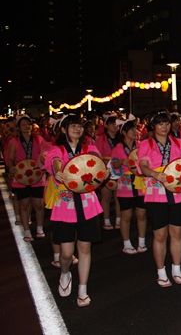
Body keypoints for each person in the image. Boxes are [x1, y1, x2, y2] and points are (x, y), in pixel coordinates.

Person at [45, 114, 103, 307]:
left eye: (79, 126)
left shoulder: (90, 149)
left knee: (85, 248)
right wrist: (58, 171)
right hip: (65, 204)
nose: (77, 129)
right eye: (72, 126)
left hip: (88, 203)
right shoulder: (57, 149)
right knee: (67, 253)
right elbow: (54, 162)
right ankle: (65, 272)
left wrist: (104, 171)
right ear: (63, 130)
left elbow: (98, 166)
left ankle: (83, 289)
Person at [137, 110, 181, 287]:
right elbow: (142, 165)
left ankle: (177, 268)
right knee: (160, 234)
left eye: (166, 123)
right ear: (153, 126)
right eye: (160, 123)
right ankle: (161, 271)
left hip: (177, 192)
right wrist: (153, 173)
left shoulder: (179, 143)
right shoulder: (146, 144)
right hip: (156, 194)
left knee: (177, 233)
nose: (164, 127)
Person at [5, 115, 47, 241]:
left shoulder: (39, 139)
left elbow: (44, 154)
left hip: (37, 175)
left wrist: (45, 164)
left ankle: (40, 228)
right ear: (18, 127)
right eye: (23, 124)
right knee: (24, 204)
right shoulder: (14, 141)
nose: (26, 126)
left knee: (39, 204)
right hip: (21, 176)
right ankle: (27, 231)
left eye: (28, 124)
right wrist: (12, 167)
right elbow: (11, 158)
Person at [110, 118, 147, 255]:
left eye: (135, 129)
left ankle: (141, 242)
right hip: (125, 183)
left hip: (139, 181)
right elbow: (113, 164)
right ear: (124, 132)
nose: (135, 131)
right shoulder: (119, 147)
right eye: (132, 129)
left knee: (142, 213)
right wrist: (122, 162)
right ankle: (126, 243)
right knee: (126, 214)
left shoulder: (141, 145)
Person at [95, 113, 122, 230]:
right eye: (112, 124)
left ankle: (118, 219)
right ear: (106, 125)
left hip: (119, 168)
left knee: (118, 196)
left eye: (116, 124)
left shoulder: (121, 138)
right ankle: (106, 220)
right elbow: (97, 154)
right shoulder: (101, 139)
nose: (115, 126)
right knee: (106, 196)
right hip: (106, 167)